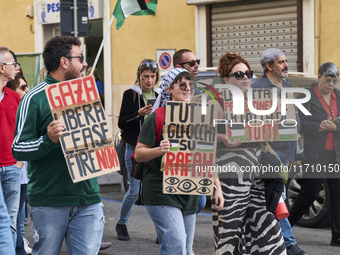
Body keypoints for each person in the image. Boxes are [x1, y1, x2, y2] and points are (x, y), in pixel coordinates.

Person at [12, 36, 104, 255]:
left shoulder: (86, 94)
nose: (84, 64)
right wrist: (47, 139)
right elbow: (18, 148)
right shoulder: (34, 98)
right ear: (64, 62)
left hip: (88, 198)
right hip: (49, 200)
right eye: (80, 58)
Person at [135, 68, 224, 255]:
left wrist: (218, 188)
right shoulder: (157, 116)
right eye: (181, 84)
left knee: (185, 248)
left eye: (190, 84)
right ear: (169, 89)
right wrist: (159, 149)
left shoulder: (200, 117)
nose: (187, 88)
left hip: (190, 190)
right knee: (177, 244)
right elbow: (138, 154)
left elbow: (207, 156)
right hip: (161, 190)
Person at [211, 52, 285, 255]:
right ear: (226, 79)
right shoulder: (216, 104)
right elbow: (202, 142)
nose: (245, 78)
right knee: (230, 232)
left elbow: (263, 137)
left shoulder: (256, 102)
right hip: (229, 174)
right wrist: (222, 138)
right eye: (239, 75)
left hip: (257, 171)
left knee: (268, 227)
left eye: (248, 73)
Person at [252, 48, 307, 255]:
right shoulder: (259, 88)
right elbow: (255, 122)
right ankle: (289, 243)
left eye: (285, 61)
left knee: (275, 198)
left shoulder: (287, 84)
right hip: (273, 152)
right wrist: (267, 148)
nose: (286, 65)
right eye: (281, 62)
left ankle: (269, 238)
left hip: (289, 149)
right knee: (279, 196)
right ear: (268, 66)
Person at [288, 62, 340, 247]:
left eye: (334, 81)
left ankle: (337, 237)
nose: (331, 85)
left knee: (337, 195)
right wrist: (318, 126)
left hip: (335, 155)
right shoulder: (306, 98)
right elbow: (296, 121)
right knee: (309, 194)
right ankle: (283, 229)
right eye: (327, 80)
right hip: (315, 154)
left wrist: (336, 127)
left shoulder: (339, 97)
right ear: (319, 77)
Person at [116, 59, 160, 241]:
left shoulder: (159, 95)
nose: (149, 80)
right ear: (139, 77)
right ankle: (121, 223)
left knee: (154, 190)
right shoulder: (131, 94)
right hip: (134, 148)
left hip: (153, 148)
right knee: (134, 191)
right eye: (145, 77)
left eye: (152, 77)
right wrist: (138, 114)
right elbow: (121, 122)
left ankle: (161, 229)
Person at [173, 49, 205, 213]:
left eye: (197, 61)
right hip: (176, 156)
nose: (196, 65)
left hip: (195, 153)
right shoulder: (169, 91)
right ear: (179, 66)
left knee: (200, 201)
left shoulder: (197, 88)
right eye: (192, 63)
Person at [0, 47, 22, 250]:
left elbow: (23, 132)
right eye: (13, 63)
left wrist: (19, 162)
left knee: (11, 220)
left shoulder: (15, 98)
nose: (16, 67)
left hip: (12, 168)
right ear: (1, 67)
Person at [6, 75, 31, 254]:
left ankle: (19, 247)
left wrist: (20, 162)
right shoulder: (10, 103)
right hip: (12, 167)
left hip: (18, 169)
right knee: (11, 217)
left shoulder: (23, 106)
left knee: (17, 216)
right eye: (23, 87)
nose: (27, 90)